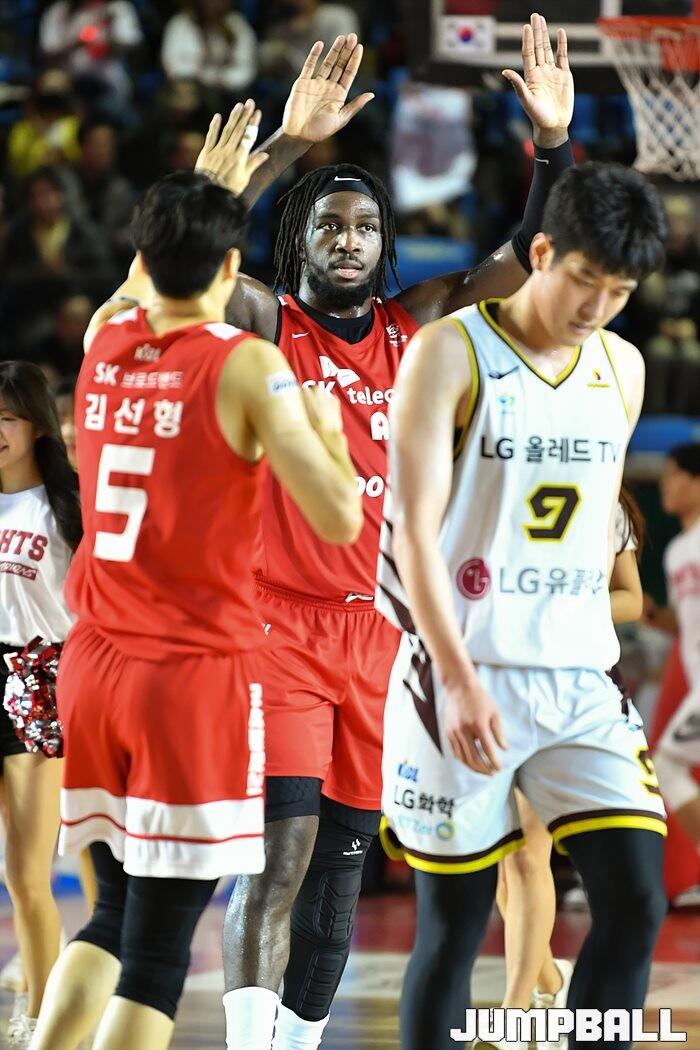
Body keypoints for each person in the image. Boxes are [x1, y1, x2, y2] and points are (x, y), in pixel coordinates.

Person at [221, 17, 575, 1050]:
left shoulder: (416, 326)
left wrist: (552, 145)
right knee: (277, 860)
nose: (349, 241)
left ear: (384, 246)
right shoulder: (263, 323)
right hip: (278, 631)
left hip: (381, 639)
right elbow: (193, 252)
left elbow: (526, 263)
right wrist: (287, 146)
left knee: (341, 870)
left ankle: (296, 1043)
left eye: (365, 228)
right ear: (298, 238)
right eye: (329, 225)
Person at [30, 101, 362, 1050]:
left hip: (95, 665)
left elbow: (153, 265)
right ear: (230, 269)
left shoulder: (102, 339)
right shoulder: (247, 366)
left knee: (110, 915)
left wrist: (217, 186)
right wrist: (330, 435)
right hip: (188, 675)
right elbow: (339, 518)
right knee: (160, 953)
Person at [377, 160, 668, 1050]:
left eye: (619, 292)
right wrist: (457, 679)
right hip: (460, 669)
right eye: (584, 279)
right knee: (455, 925)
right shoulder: (449, 351)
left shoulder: (621, 368)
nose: (597, 306)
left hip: (578, 678)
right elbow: (409, 533)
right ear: (541, 253)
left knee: (636, 899)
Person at [493, 489, 646, 1045]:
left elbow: (632, 598)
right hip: (493, 683)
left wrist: (567, 600)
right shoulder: (496, 477)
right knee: (505, 865)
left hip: (570, 694)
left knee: (527, 857)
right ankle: (552, 982)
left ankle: (514, 1014)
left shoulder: (605, 497)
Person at [0, 360, 82, 1047]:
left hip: (42, 682)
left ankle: (38, 1011)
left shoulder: (67, 508)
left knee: (26, 875)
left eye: (7, 418)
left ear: (36, 426)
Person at [654, 445, 700, 846]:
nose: (664, 484)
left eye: (673, 474)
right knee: (667, 764)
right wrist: (650, 613)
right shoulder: (676, 551)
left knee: (667, 764)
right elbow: (683, 625)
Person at [161, 0, 258, 95]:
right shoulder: (181, 23)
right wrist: (204, 77)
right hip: (192, 87)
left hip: (228, 91)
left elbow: (247, 66)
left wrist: (224, 80)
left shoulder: (236, 24)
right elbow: (175, 66)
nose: (214, 3)